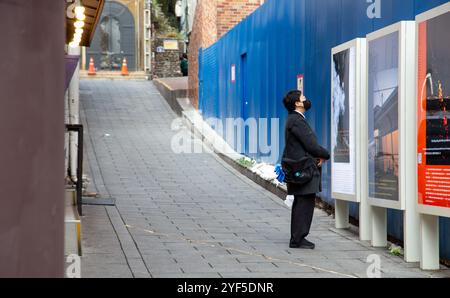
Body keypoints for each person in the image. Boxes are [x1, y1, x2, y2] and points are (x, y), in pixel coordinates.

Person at [282, 90, 330, 249]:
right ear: (297, 103)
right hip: (303, 169)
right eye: (303, 97)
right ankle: (298, 238)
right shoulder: (297, 121)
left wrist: (317, 155)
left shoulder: (294, 119)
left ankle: (297, 237)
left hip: (300, 167)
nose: (306, 99)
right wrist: (325, 154)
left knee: (301, 202)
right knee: (304, 202)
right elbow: (310, 145)